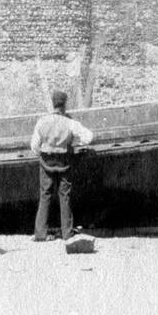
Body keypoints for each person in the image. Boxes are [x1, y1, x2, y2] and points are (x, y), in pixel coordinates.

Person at [30, 90, 94, 241]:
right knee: (64, 196)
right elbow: (89, 137)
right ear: (64, 104)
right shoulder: (70, 123)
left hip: (46, 163)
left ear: (53, 103)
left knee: (45, 195)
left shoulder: (42, 121)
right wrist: (74, 142)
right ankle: (67, 233)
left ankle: (40, 234)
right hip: (65, 163)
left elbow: (34, 146)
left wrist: (45, 152)